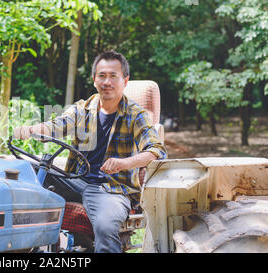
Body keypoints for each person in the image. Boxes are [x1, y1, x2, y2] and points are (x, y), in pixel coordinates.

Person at [13, 50, 167, 253]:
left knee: (105, 226)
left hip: (111, 188)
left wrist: (124, 163)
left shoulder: (136, 115)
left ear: (125, 81)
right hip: (75, 179)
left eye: (113, 76)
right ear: (95, 80)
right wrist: (32, 130)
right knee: (22, 170)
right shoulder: (81, 109)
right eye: (102, 76)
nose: (107, 82)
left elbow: (157, 151)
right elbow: (55, 125)